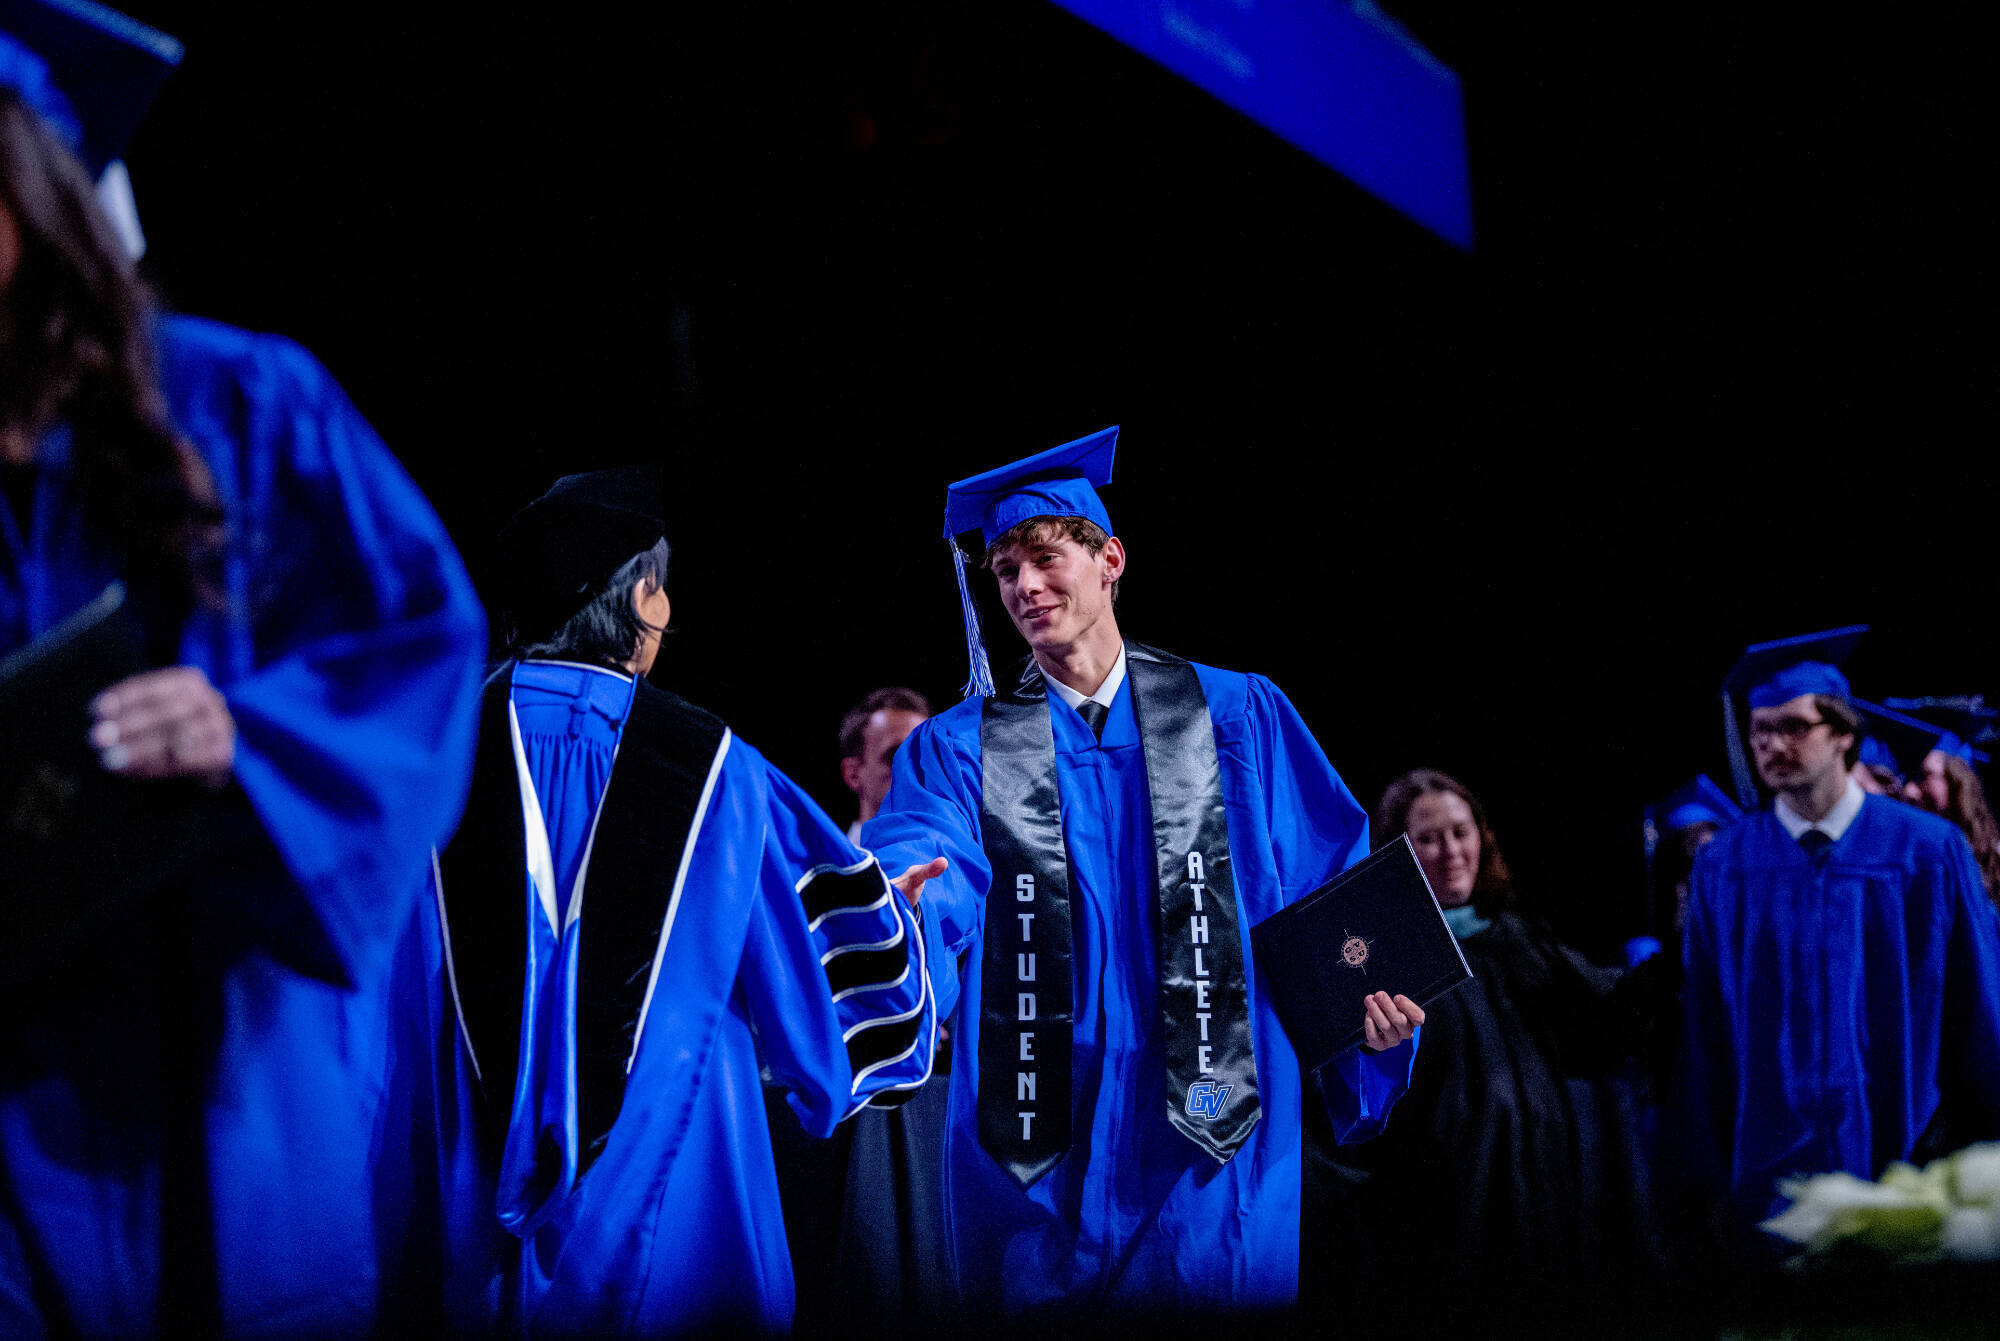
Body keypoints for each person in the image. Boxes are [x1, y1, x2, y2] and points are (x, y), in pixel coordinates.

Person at [0, 9, 487, 1335]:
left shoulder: (238, 402)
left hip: (220, 1048)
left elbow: (420, 644)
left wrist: (247, 733)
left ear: (33, 191)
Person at [859, 426, 1422, 1316]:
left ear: (1111, 557)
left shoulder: (1237, 713)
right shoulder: (959, 748)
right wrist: (898, 902)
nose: (1024, 587)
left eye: (1045, 558)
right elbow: (931, 855)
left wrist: (1370, 1008)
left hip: (1212, 1124)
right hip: (1039, 1136)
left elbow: (1329, 879)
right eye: (1004, 571)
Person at [421, 468, 943, 1337]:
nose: (667, 610)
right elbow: (810, 962)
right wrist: (896, 914)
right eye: (659, 585)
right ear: (633, 596)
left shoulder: (436, 747)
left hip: (462, 1152)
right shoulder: (713, 765)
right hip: (680, 1147)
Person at [1305, 770, 1665, 1322]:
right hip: (1451, 1216)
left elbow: (1608, 1024)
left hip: (1552, 1203)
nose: (1451, 851)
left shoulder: (1518, 938)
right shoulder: (1382, 964)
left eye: (1460, 832)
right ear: (1393, 853)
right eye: (1428, 838)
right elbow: (1347, 1108)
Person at [1680, 648, 2000, 1252]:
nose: (1773, 744)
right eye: (1759, 731)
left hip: (1910, 1167)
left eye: (1794, 726)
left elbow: (1979, 1011)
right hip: (1771, 1177)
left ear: (1843, 735)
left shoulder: (1925, 850)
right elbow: (1707, 1032)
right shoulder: (1726, 865)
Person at [839, 685, 932, 842]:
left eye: (925, 758)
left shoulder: (961, 861)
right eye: (895, 758)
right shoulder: (826, 865)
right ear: (853, 774)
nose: (917, 772)